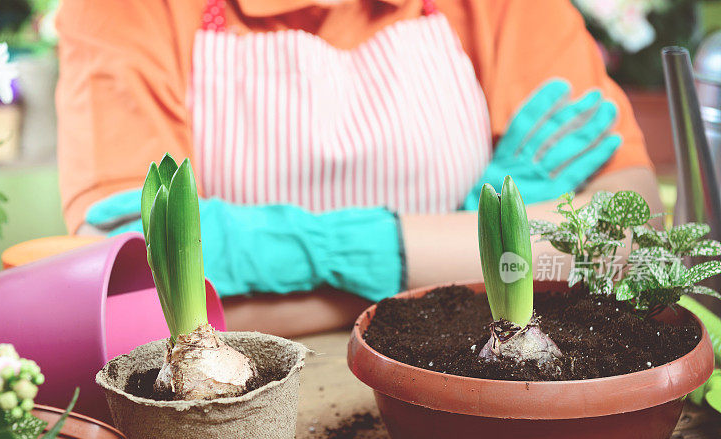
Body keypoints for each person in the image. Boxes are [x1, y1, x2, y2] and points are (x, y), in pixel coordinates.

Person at [56, 0, 660, 336]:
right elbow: (126, 296)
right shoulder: (126, 8)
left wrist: (321, 255)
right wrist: (477, 255)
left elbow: (633, 242)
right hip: (241, 407)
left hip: (481, 372)